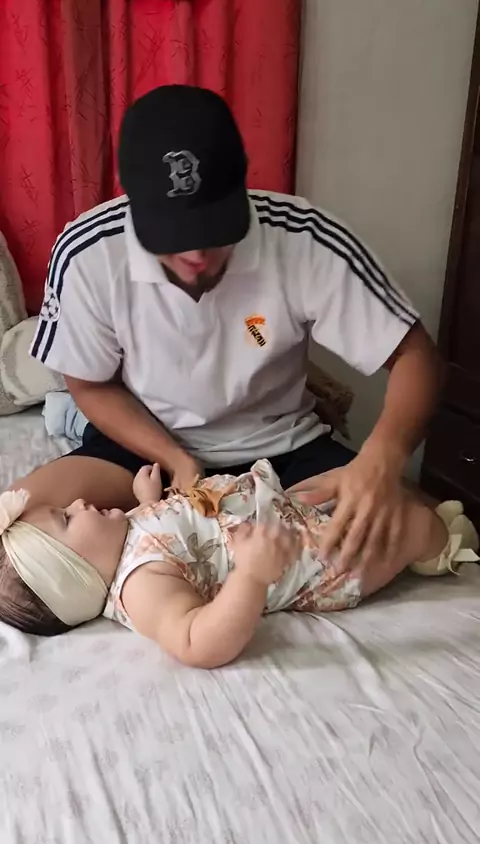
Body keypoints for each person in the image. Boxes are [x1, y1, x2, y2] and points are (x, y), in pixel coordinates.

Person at [29, 84, 443, 585]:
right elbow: (90, 384)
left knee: (420, 529)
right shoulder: (88, 252)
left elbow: (415, 356)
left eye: (214, 231)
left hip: (283, 447)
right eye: (174, 238)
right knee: (22, 524)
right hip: (145, 447)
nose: (196, 256)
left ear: (241, 189)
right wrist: (176, 459)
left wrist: (381, 460)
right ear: (133, 202)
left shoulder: (304, 237)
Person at [0, 460, 478, 667]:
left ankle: (405, 520)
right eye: (67, 518)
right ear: (79, 572)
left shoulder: (123, 533)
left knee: (348, 480)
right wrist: (251, 575)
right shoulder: (140, 585)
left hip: (280, 512)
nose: (79, 502)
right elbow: (195, 642)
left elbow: (167, 532)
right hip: (314, 562)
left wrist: (149, 501)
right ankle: (438, 546)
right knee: (404, 524)